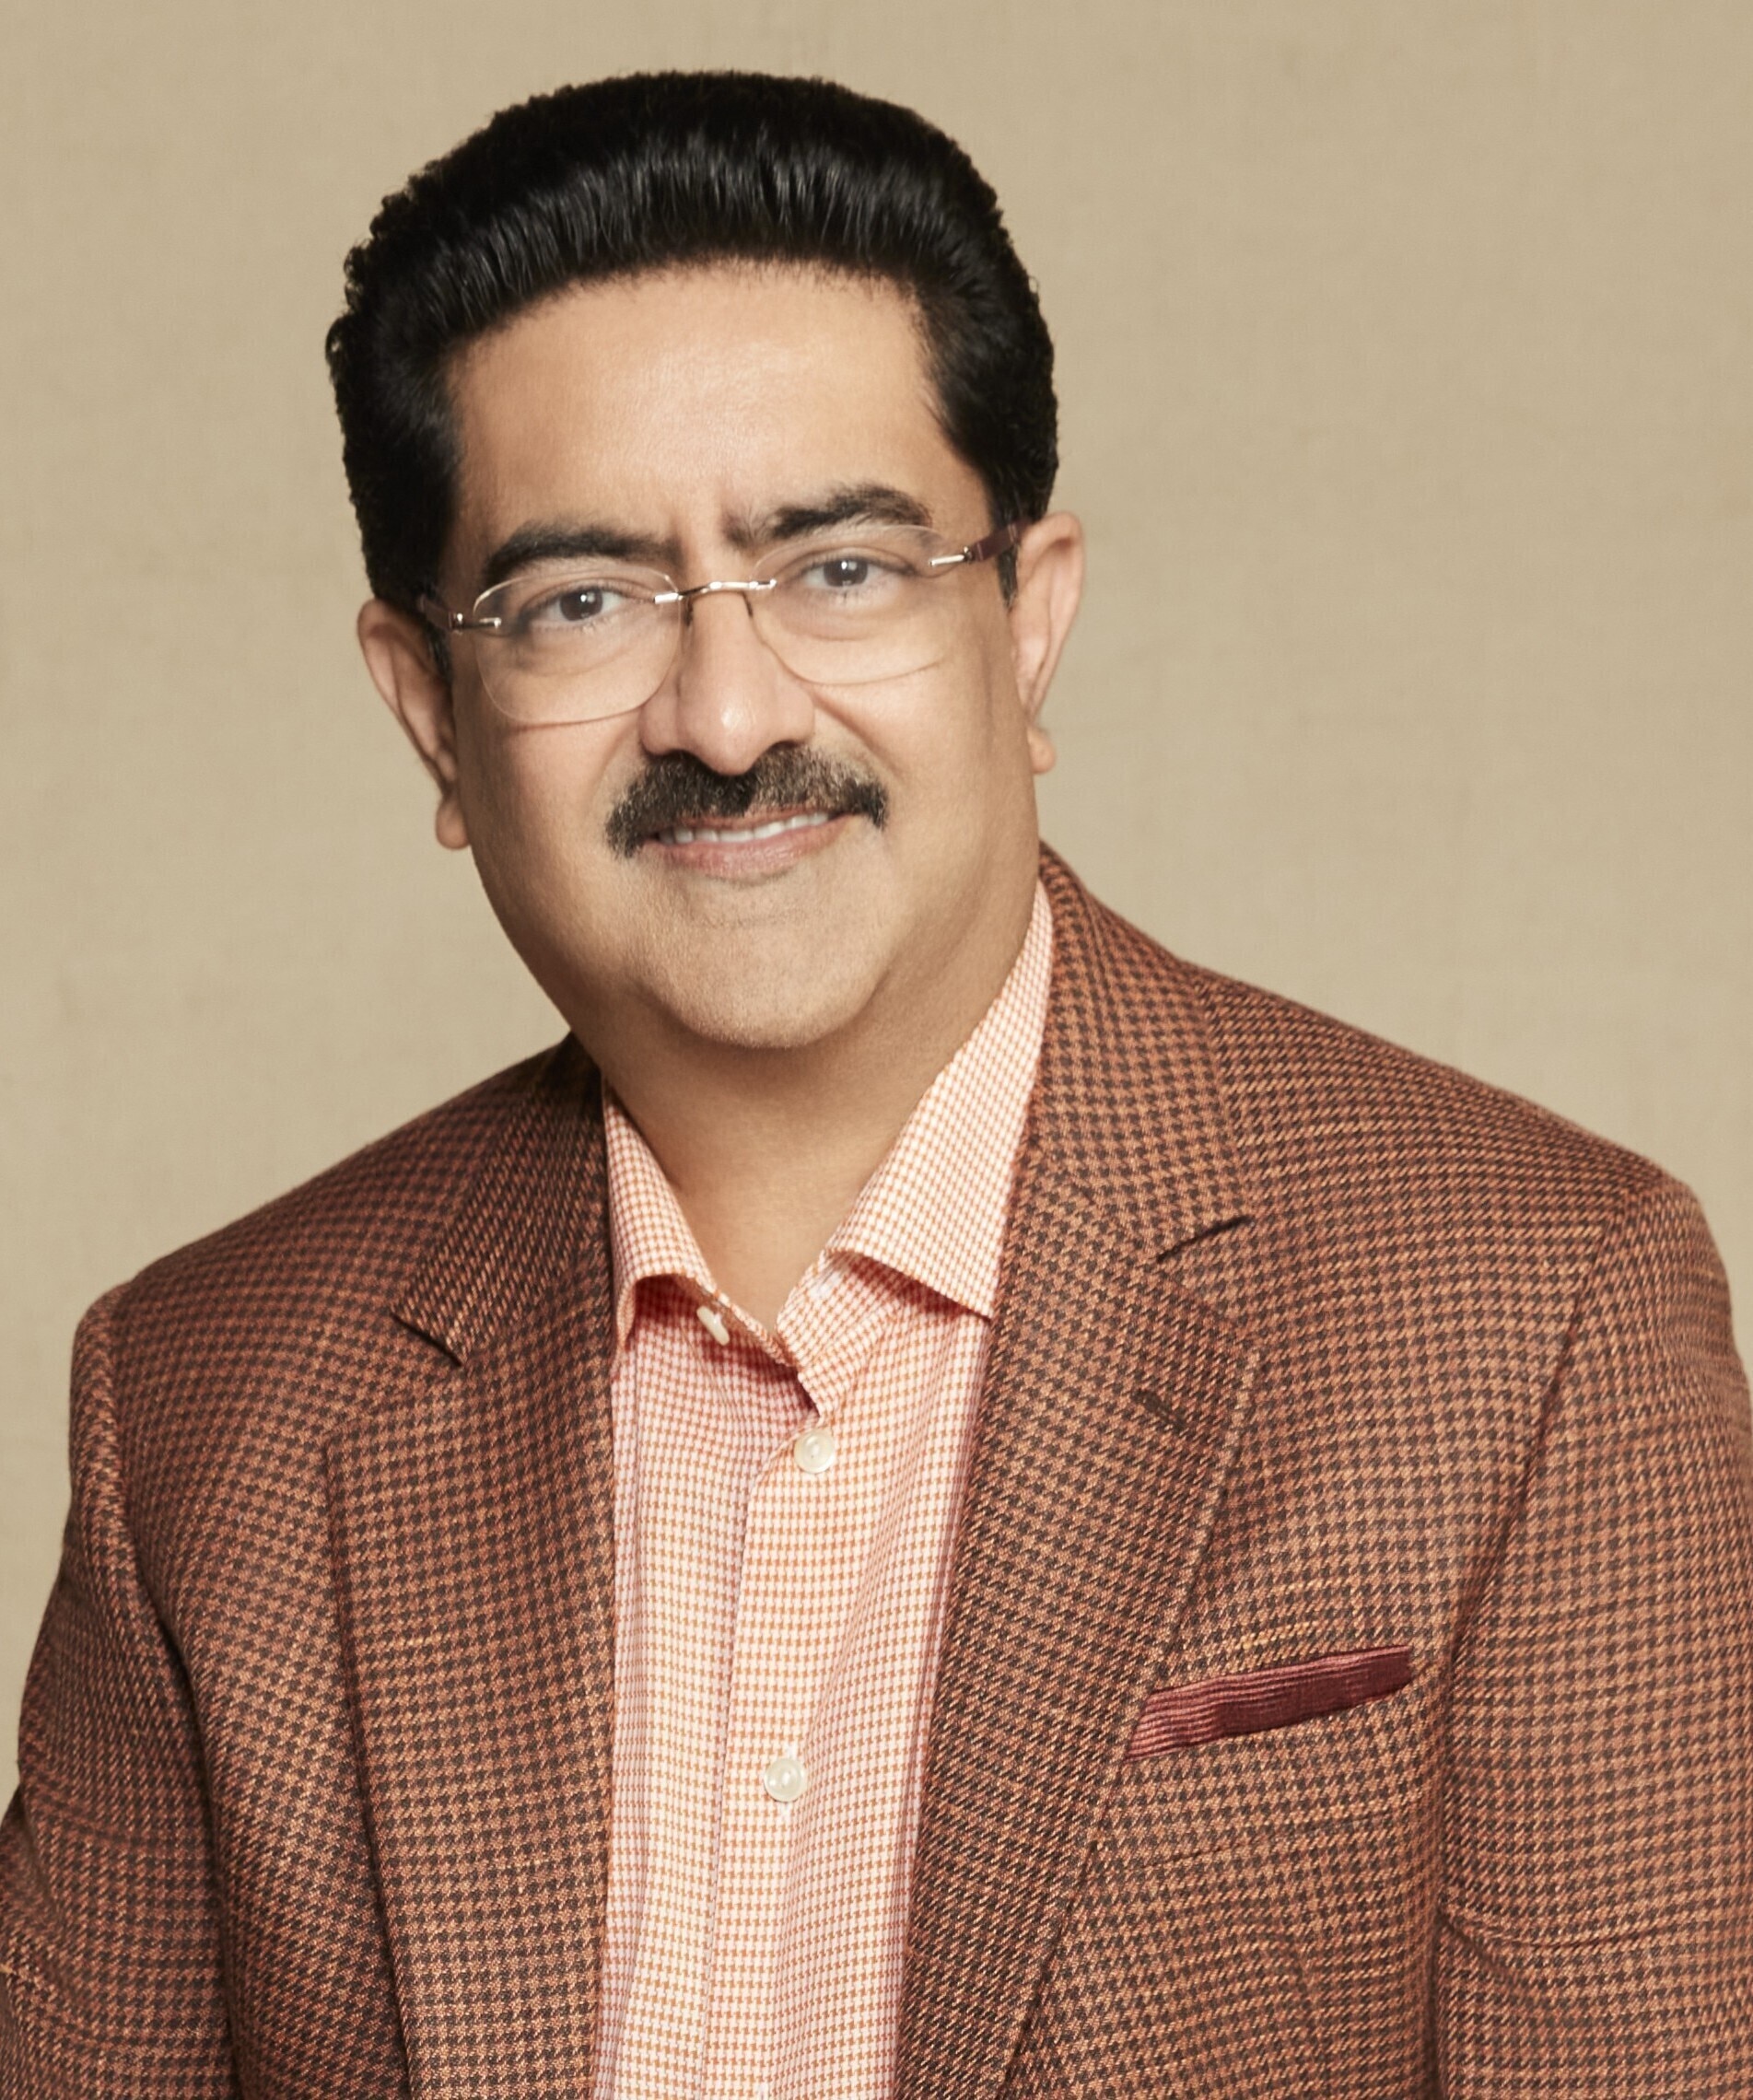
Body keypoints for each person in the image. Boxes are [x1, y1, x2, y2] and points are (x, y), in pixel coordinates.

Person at [2, 67, 1748, 2099]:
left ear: (1028, 619)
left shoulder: (1531, 1315)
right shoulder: (207, 1401)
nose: (729, 715)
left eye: (839, 566)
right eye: (582, 602)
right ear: (433, 717)